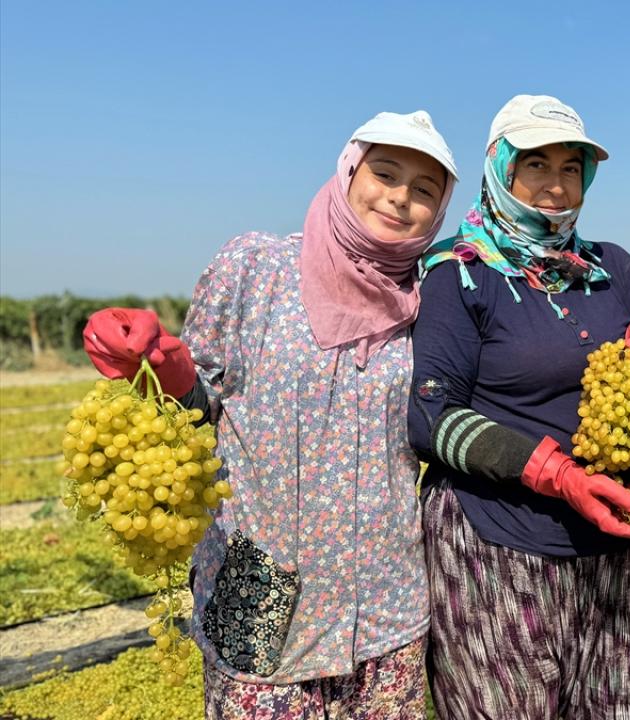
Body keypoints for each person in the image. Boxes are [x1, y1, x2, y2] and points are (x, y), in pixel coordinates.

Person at [81, 110, 459, 719]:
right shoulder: (257, 268)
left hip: (387, 605)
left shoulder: (431, 297)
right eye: (385, 174)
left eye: (424, 189)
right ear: (349, 171)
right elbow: (196, 405)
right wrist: (156, 363)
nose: (399, 197)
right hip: (259, 592)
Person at [408, 94, 630, 720]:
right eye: (536, 164)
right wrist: (557, 474)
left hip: (610, 548)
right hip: (496, 546)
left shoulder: (611, 268)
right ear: (500, 168)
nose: (556, 184)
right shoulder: (459, 272)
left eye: (571, 168)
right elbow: (431, 417)